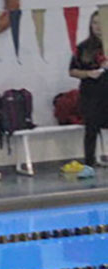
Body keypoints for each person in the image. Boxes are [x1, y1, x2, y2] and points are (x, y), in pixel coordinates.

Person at [70, 12, 108, 168]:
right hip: (91, 95)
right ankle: (90, 163)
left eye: (101, 23)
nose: (98, 27)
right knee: (91, 129)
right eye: (95, 23)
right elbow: (72, 71)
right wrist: (88, 74)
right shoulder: (83, 47)